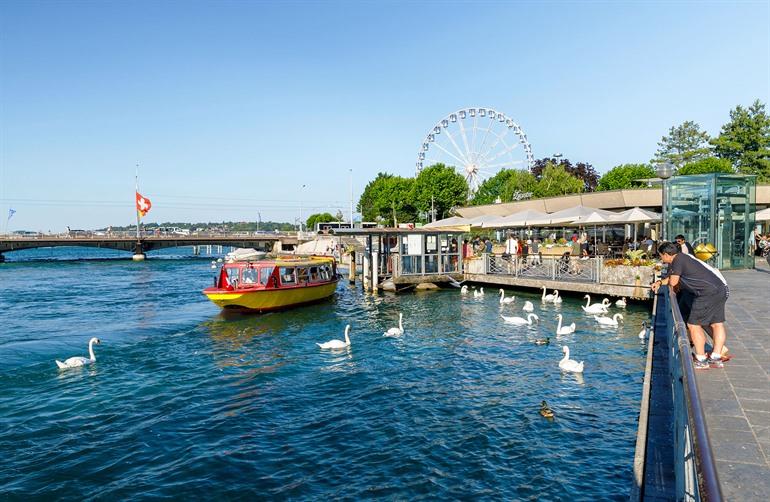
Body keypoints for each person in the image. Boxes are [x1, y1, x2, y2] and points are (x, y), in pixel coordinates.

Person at [652, 241, 729, 369]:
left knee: (693, 325)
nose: (661, 259)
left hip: (706, 294)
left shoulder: (677, 260)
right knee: (717, 324)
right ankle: (716, 357)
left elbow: (674, 282)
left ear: (666, 254)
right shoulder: (685, 257)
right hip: (721, 289)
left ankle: (701, 359)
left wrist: (665, 282)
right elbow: (674, 279)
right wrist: (660, 282)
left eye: (661, 256)